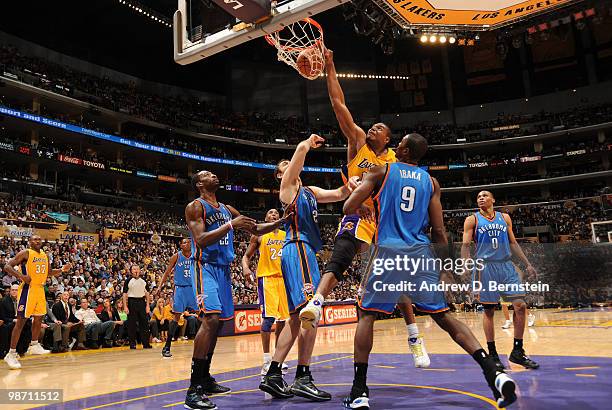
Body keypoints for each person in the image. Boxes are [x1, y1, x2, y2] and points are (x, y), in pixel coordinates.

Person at [342, 134, 517, 409]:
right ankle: (493, 373)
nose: (395, 146)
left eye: (398, 143)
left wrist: (364, 203)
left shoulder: (380, 170)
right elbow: (439, 230)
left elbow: (347, 206)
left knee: (366, 315)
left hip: (389, 252)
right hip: (421, 253)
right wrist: (445, 265)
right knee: (444, 317)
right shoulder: (431, 182)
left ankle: (359, 390)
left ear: (403, 149)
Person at [299, 49, 429, 368]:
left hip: (384, 225)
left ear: (390, 139)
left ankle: (414, 337)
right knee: (339, 257)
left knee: (397, 284)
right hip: (357, 216)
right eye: (372, 126)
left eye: (380, 129)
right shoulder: (357, 141)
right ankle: (317, 303)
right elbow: (338, 105)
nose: (373, 129)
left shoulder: (394, 164)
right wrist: (330, 66)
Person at [259, 134, 359, 402]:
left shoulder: (309, 192)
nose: (289, 167)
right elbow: (299, 157)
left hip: (303, 252)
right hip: (298, 248)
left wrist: (352, 185)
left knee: (296, 316)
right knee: (311, 313)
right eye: (285, 167)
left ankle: (273, 374)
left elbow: (339, 194)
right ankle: (303, 376)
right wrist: (305, 144)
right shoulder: (287, 189)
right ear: (282, 176)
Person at [184, 169, 289, 409]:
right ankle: (193, 388)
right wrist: (231, 225)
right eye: (208, 174)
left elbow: (254, 229)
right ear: (199, 183)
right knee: (209, 320)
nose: (214, 176)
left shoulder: (227, 209)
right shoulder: (195, 207)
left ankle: (205, 378)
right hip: (205, 266)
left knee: (219, 323)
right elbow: (200, 240)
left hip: (223, 269)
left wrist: (280, 222)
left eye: (214, 173)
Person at [462, 191, 540, 370]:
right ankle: (493, 353)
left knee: (520, 306)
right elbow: (466, 245)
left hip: (506, 265)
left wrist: (527, 264)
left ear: (493, 200)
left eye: (485, 195)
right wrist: (465, 264)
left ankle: (517, 352)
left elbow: (513, 243)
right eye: (478, 197)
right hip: (486, 267)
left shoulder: (504, 218)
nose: (481, 198)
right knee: (489, 310)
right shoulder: (472, 219)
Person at [2, 235, 72, 369]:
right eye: (35, 239)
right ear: (30, 242)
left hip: (40, 289)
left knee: (39, 318)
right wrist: (21, 276)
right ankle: (11, 353)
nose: (38, 241)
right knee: (21, 321)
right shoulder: (26, 253)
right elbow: (7, 266)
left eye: (40, 239)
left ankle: (34, 344)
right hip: (28, 289)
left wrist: (62, 269)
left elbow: (49, 273)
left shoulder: (45, 255)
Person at [242, 208, 290, 375]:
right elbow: (246, 256)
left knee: (283, 321)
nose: (274, 215)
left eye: (276, 213)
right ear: (265, 217)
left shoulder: (286, 235)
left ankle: (278, 358)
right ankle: (266, 360)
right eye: (270, 213)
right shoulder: (259, 234)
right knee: (268, 319)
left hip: (284, 280)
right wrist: (246, 268)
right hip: (267, 278)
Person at [157, 238, 196, 358]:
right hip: (180, 289)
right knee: (176, 316)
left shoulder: (196, 255)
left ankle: (202, 344)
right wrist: (160, 286)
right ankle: (167, 347)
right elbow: (167, 272)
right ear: (180, 245)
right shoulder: (176, 257)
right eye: (184, 242)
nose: (187, 244)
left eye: (189, 242)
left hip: (193, 288)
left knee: (201, 314)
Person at [122, 264, 152, 349]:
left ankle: (146, 343)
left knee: (144, 324)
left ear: (140, 271)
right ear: (131, 271)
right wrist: (125, 306)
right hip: (132, 302)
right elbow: (124, 294)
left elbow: (147, 293)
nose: (136, 271)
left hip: (142, 302)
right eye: (134, 269)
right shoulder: (128, 281)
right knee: (132, 324)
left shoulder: (143, 281)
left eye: (137, 269)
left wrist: (147, 306)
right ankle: (132, 343)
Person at [0, 284, 32, 358]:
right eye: (12, 290)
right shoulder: (3, 301)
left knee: (28, 325)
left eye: (16, 290)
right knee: (10, 327)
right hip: (9, 322)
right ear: (10, 291)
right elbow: (3, 317)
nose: (14, 292)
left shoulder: (23, 300)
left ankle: (22, 350)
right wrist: (13, 320)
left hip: (21, 320)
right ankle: (9, 351)